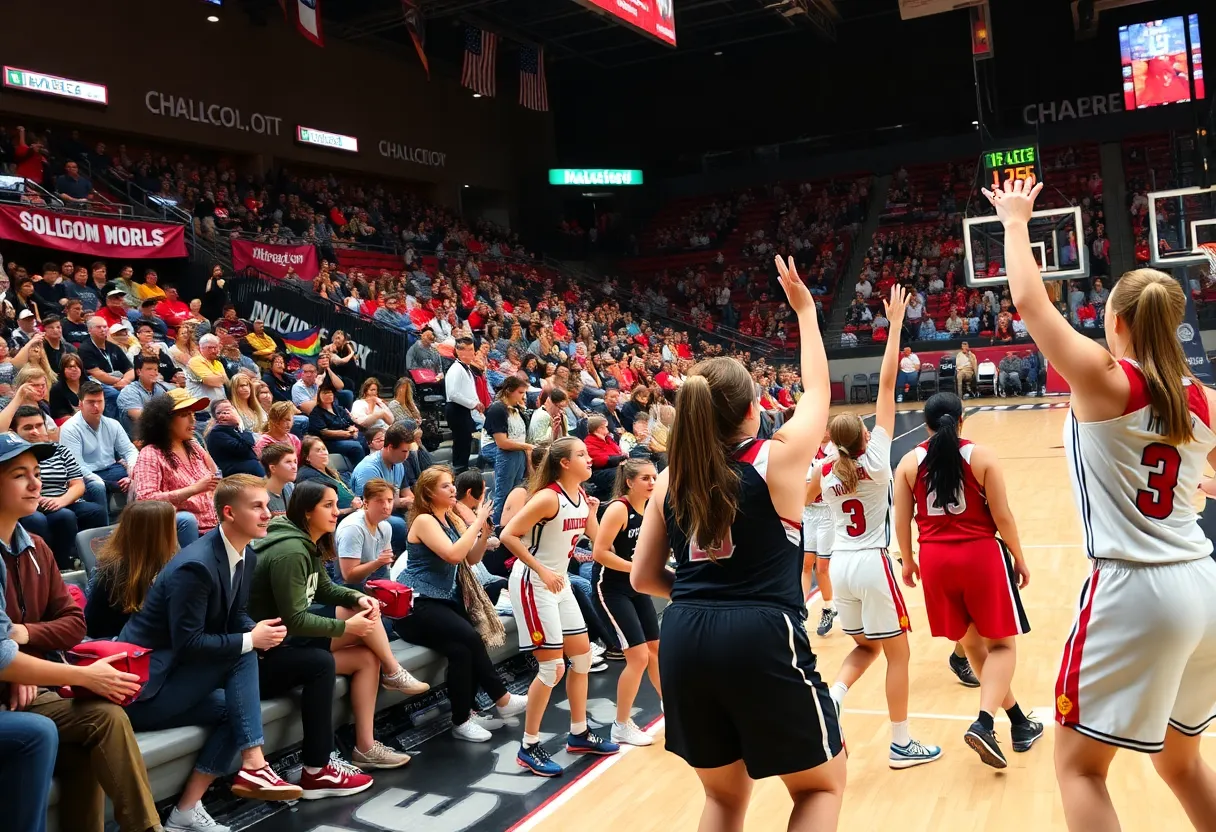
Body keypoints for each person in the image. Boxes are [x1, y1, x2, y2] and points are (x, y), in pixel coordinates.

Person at [985, 175, 1216, 830]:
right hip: (1203, 586)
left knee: (1080, 767)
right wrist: (1191, 483)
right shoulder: (1202, 399)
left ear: (1115, 323)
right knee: (1181, 764)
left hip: (1135, 591)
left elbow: (1030, 305)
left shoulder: (1105, 379)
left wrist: (1015, 220)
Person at [630, 255, 844, 830]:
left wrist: (703, 593)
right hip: (758, 632)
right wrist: (805, 312)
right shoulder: (775, 460)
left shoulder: (668, 478)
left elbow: (643, 579)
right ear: (753, 408)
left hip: (683, 635)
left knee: (724, 799)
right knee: (821, 786)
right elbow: (819, 391)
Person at [119, 475, 305, 830]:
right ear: (229, 513)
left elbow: (234, 617)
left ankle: (185, 809)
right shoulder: (196, 566)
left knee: (238, 709)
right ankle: (255, 763)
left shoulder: (245, 554)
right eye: (258, 507)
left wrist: (260, 630)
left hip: (177, 678)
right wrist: (252, 640)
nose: (268, 513)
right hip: (143, 690)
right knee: (242, 654)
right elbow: (190, 642)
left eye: (267, 505)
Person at [807, 285, 941, 769]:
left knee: (864, 647)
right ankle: (901, 742)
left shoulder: (823, 470)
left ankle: (836, 696)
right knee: (898, 654)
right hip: (872, 563)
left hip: (838, 566)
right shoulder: (879, 458)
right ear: (863, 436)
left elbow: (800, 498)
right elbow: (888, 387)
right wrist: (896, 326)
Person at [0, 433, 160, 832]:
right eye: (20, 475)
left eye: (36, 473)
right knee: (103, 721)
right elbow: (1, 657)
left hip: (31, 686)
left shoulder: (36, 545)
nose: (36, 484)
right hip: (13, 694)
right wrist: (82, 675)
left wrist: (24, 641)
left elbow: (75, 624)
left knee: (95, 734)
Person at [892, 392, 1043, 768]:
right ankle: (985, 721)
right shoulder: (982, 456)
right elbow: (1003, 515)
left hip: (935, 561)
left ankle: (1020, 723)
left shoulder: (909, 463)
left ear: (925, 425)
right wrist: (1019, 557)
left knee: (973, 646)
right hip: (980, 555)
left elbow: (900, 518)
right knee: (1003, 648)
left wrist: (909, 562)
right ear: (962, 420)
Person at [247, 483, 420, 777]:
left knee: (367, 655)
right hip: (271, 650)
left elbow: (325, 588)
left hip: (289, 641)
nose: (336, 511)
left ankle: (365, 748)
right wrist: (345, 626)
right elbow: (296, 620)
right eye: (327, 506)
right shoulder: (290, 552)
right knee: (362, 621)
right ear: (306, 511)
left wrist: (356, 595)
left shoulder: (304, 542)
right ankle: (394, 671)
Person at [500, 437, 619, 776]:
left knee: (581, 657)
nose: (589, 459)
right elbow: (508, 535)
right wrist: (541, 570)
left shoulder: (580, 497)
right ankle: (528, 746)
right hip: (532, 581)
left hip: (559, 581)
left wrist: (593, 513)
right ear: (564, 463)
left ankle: (579, 733)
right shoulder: (547, 497)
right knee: (552, 669)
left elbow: (596, 542)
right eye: (582, 454)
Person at [392, 466, 528, 743]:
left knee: (461, 652)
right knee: (470, 636)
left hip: (441, 601)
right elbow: (453, 555)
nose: (453, 489)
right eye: (445, 486)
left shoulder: (449, 519)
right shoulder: (424, 521)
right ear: (429, 493)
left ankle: (463, 718)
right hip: (415, 605)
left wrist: (483, 530)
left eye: (452, 484)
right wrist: (477, 522)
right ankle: (501, 698)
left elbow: (471, 559)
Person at [590, 458, 661, 747]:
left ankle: (674, 707)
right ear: (629, 482)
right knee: (638, 657)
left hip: (636, 585)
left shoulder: (652, 508)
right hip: (610, 588)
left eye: (654, 477)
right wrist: (636, 569)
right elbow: (600, 552)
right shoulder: (619, 509)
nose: (652, 483)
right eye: (645, 478)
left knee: (656, 649)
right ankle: (621, 726)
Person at [10, 405, 108, 569]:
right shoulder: (14, 456)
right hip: (29, 504)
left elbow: (77, 484)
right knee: (47, 518)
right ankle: (50, 564)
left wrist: (61, 500)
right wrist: (38, 499)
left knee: (95, 511)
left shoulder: (60, 450)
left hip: (62, 501)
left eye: (39, 425)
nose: (35, 431)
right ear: (15, 432)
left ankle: (95, 560)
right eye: (27, 428)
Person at [132, 389, 222, 548]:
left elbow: (215, 476)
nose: (192, 420)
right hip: (182, 530)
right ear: (165, 421)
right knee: (187, 520)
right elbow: (144, 500)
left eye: (193, 414)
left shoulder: (194, 446)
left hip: (214, 524)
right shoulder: (151, 453)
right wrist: (193, 489)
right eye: (184, 414)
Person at [85, 500, 177, 638]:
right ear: (159, 535)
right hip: (117, 644)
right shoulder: (111, 573)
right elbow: (93, 627)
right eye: (173, 526)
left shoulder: (168, 563)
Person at [59, 381, 138, 504]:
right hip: (85, 475)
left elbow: (129, 450)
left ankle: (134, 519)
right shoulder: (69, 428)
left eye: (99, 401)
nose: (96, 406)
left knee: (140, 474)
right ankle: (106, 522)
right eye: (91, 402)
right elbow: (75, 466)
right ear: (80, 404)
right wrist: (106, 483)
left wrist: (132, 472)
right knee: (98, 485)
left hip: (111, 469)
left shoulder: (113, 424)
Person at [349, 422, 416, 553]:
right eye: (404, 451)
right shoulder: (368, 469)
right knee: (401, 525)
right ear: (390, 447)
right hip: (370, 514)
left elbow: (406, 493)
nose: (406, 455)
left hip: (391, 510)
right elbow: (372, 507)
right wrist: (404, 502)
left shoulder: (399, 464)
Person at [480, 376, 533, 525]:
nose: (524, 396)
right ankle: (497, 526)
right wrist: (528, 447)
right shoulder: (497, 408)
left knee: (517, 490)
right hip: (495, 448)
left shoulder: (517, 408)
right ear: (509, 391)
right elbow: (502, 443)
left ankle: (513, 523)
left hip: (515, 449)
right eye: (521, 392)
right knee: (504, 494)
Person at [803, 430, 839, 636]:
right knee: (807, 563)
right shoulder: (805, 452)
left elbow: (812, 491)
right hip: (809, 513)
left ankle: (828, 607)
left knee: (822, 566)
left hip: (826, 512)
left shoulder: (833, 453)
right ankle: (800, 609)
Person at [335, 478, 396, 588]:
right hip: (346, 586)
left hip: (373, 576)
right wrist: (378, 563)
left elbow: (386, 565)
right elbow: (348, 577)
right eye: (379, 501)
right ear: (366, 503)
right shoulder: (353, 528)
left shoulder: (386, 527)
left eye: (390, 500)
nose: (387, 506)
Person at [78, 315, 133, 419]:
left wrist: (125, 381)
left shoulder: (114, 347)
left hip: (120, 381)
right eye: (99, 327)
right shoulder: (85, 349)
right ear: (90, 330)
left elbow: (130, 369)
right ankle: (115, 424)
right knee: (116, 395)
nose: (103, 330)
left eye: (105, 327)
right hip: (97, 382)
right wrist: (119, 382)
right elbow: (97, 374)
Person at [444, 337, 486, 472]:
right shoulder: (456, 369)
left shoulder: (465, 368)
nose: (472, 353)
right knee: (461, 440)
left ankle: (463, 467)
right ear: (458, 351)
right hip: (456, 409)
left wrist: (476, 403)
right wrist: (473, 404)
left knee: (466, 440)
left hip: (464, 408)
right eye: (468, 350)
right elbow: (453, 394)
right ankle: (459, 469)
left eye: (472, 349)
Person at [297, 437, 361, 514]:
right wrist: (351, 509)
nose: (324, 453)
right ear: (307, 457)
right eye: (318, 450)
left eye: (324, 449)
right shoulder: (308, 476)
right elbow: (321, 511)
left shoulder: (328, 470)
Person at [309, 383, 365, 470]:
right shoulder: (316, 412)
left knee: (365, 439)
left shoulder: (339, 409)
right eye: (325, 393)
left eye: (330, 393)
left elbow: (350, 423)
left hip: (346, 436)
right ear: (319, 395)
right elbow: (324, 432)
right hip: (329, 442)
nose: (328, 395)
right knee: (356, 446)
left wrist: (351, 428)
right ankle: (360, 471)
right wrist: (345, 433)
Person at [206, 399, 264, 477]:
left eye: (228, 409)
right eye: (219, 412)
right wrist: (238, 422)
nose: (224, 414)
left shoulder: (233, 429)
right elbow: (243, 449)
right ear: (216, 418)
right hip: (237, 476)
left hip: (250, 469)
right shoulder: (216, 433)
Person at [116, 353, 172, 432]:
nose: (154, 373)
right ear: (139, 372)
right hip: (138, 439)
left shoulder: (161, 389)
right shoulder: (129, 391)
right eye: (149, 369)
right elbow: (140, 417)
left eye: (156, 370)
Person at [261, 442, 297, 517]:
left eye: (295, 462)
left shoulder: (291, 487)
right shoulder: (259, 494)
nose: (294, 467)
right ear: (273, 468)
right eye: (288, 462)